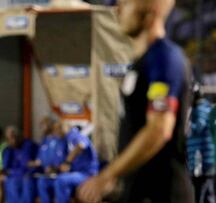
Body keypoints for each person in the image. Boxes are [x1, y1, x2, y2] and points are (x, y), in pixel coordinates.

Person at [77, 0, 194, 202]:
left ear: (151, 11)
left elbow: (159, 129)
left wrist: (107, 175)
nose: (118, 9)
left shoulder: (165, 59)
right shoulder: (139, 65)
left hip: (164, 194)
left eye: (126, 3)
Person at [2, 125, 39, 203]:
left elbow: (32, 164)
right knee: (10, 181)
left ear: (18, 136)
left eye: (12, 137)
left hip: (28, 175)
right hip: (14, 176)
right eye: (8, 139)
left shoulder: (29, 145)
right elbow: (6, 168)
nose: (10, 141)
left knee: (27, 182)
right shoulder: (8, 149)